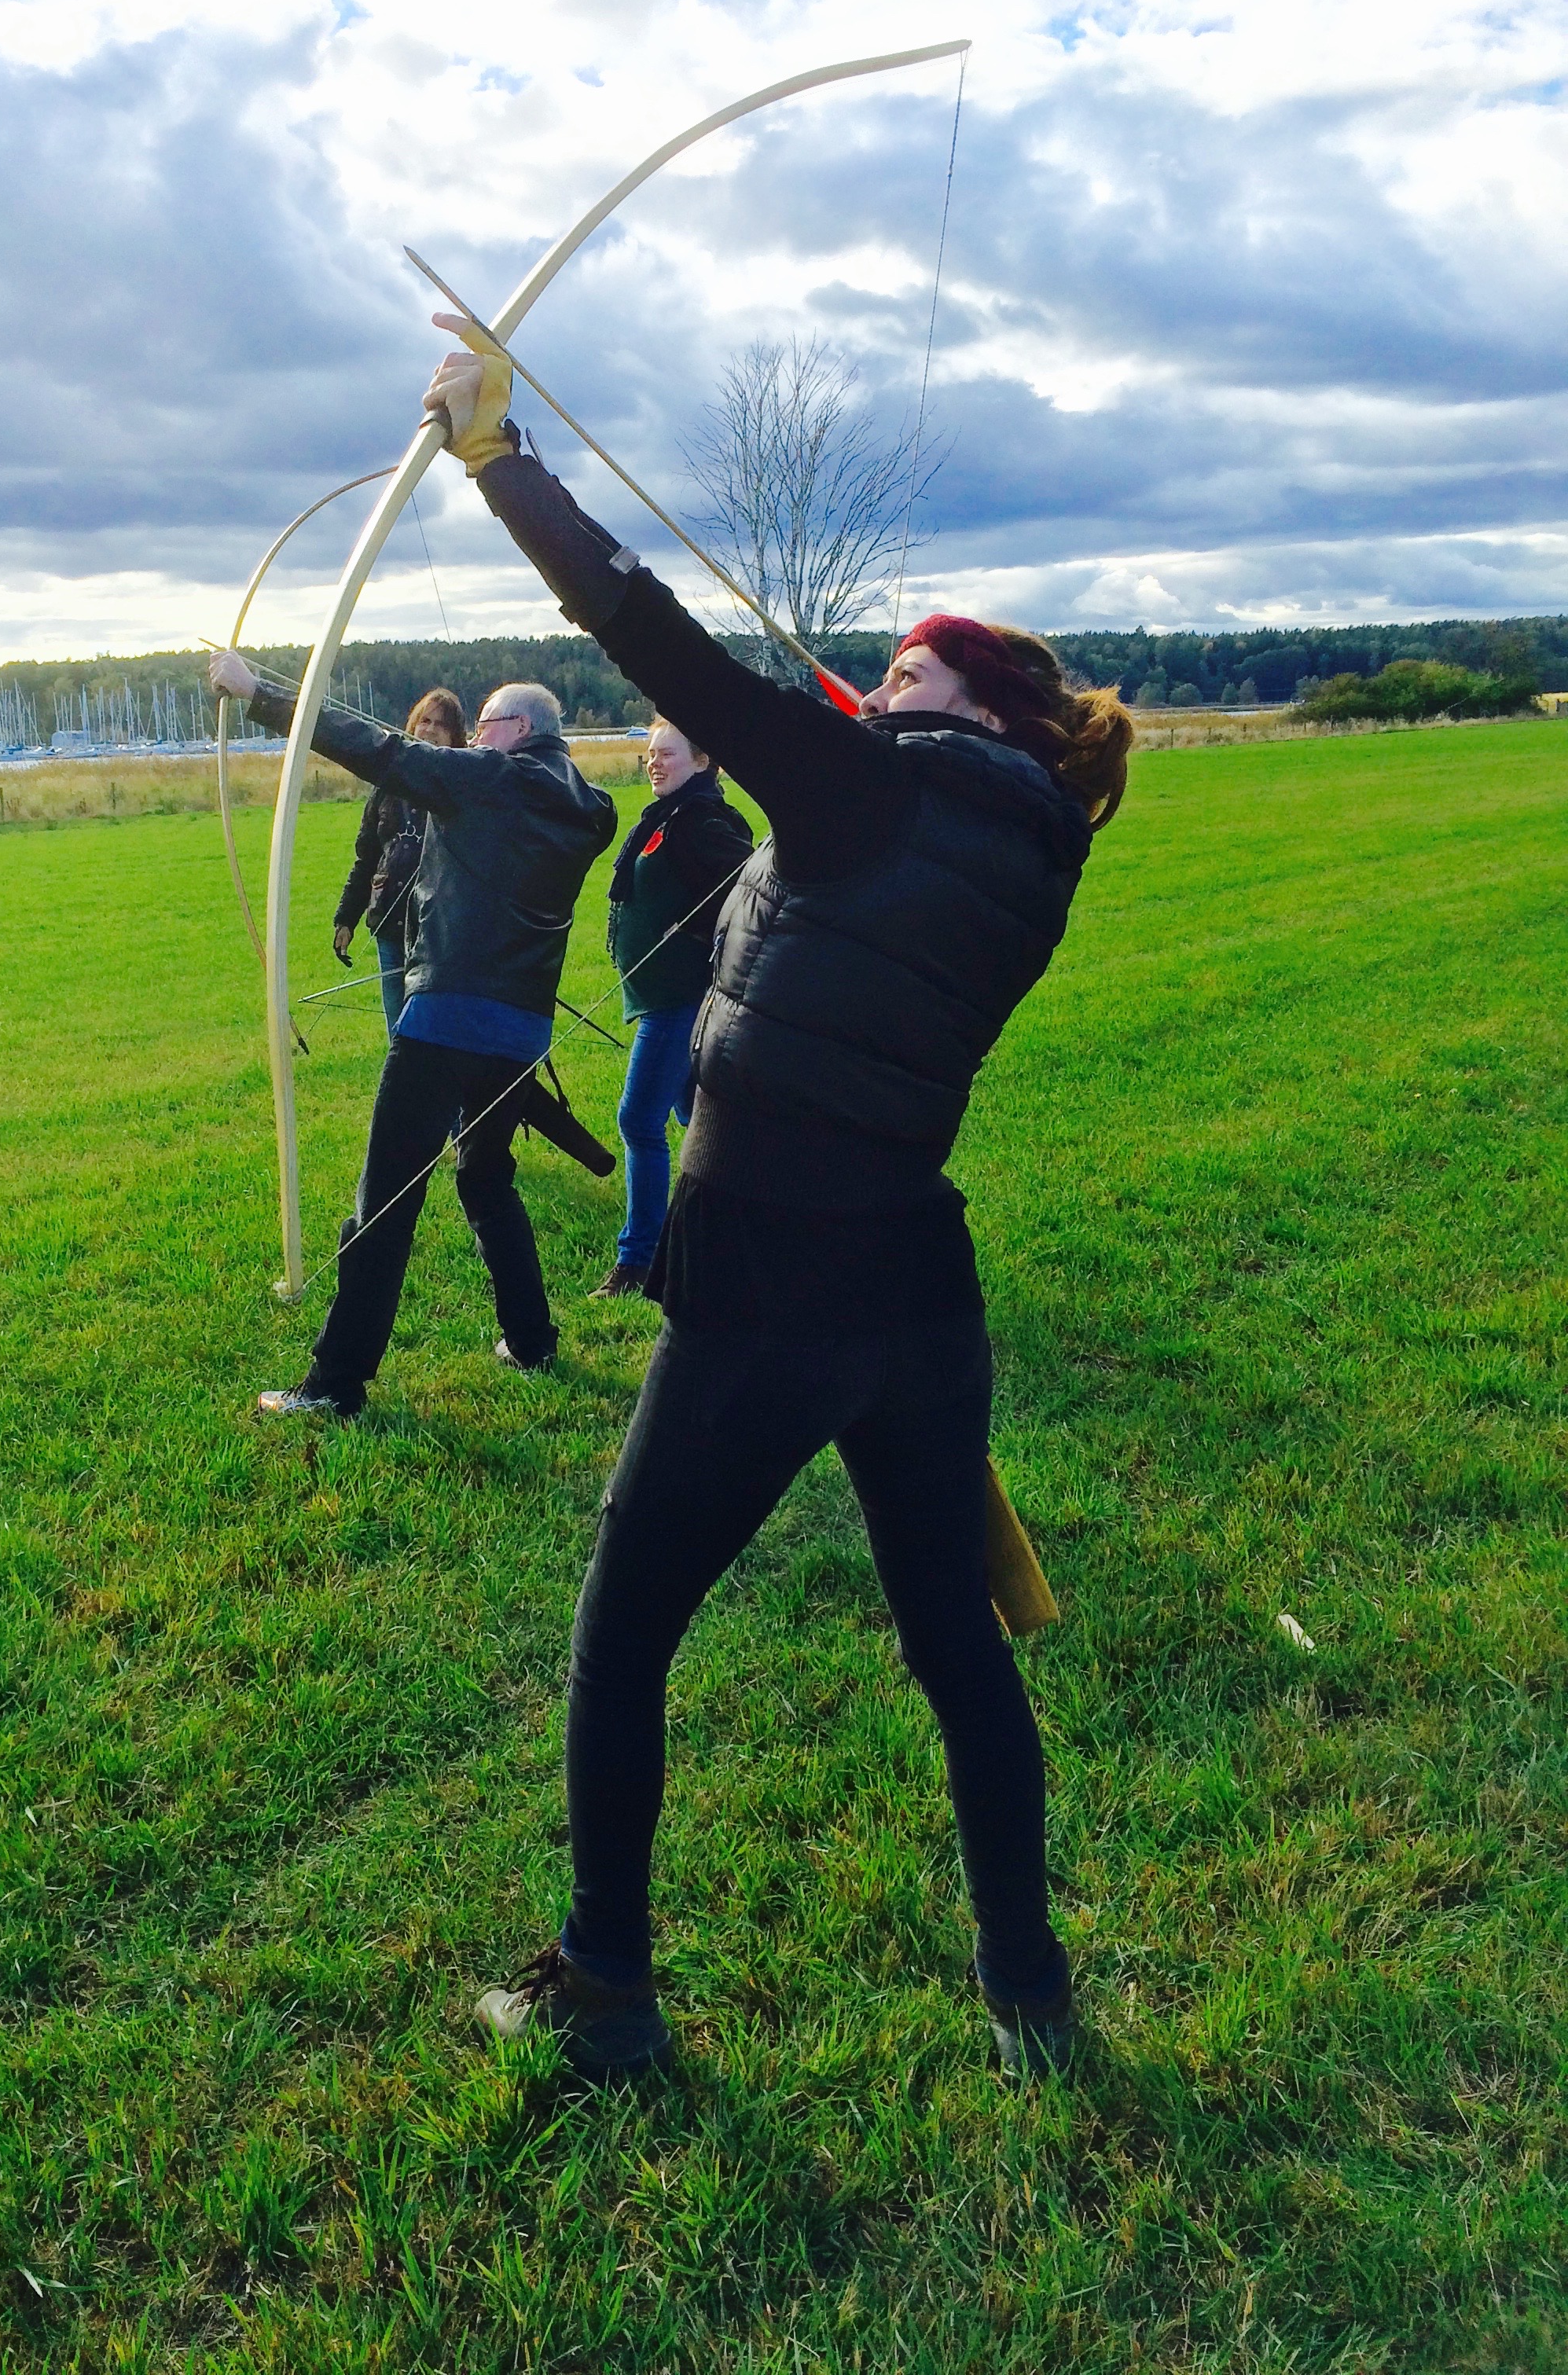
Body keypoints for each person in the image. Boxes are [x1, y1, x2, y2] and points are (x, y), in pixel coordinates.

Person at [420, 318, 1134, 2083]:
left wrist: (498, 457)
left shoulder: (872, 788)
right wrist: (853, 728)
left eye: (900, 672)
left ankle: (604, 1990)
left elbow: (652, 635)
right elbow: (807, 769)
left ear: (966, 708)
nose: (870, 691)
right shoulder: (1024, 840)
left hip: (775, 1285)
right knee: (955, 1648)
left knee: (622, 1633)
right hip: (912, 1285)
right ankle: (1030, 1991)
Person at [207, 648, 616, 1418]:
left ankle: (335, 1385)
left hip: (444, 1024)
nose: (474, 737)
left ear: (516, 728)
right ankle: (532, 1341)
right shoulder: (592, 806)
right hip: (521, 1034)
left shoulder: (492, 778)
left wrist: (260, 692)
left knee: (385, 1202)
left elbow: (381, 750)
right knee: (486, 1180)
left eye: (484, 724)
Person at [596, 720, 752, 1298]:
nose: (654, 764)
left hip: (681, 1000)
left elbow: (753, 886)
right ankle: (729, 1236)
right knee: (696, 1120)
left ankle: (639, 1260)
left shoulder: (704, 820)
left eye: (667, 754)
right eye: (649, 755)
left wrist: (698, 933)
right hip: (661, 996)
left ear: (702, 760)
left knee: (639, 1120)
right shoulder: (670, 815)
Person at [332, 686, 468, 1035]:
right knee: (398, 1023)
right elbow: (367, 859)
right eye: (425, 721)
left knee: (437, 1024)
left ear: (455, 736)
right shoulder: (387, 786)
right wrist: (346, 918)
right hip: (390, 922)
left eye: (441, 725)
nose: (430, 730)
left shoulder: (463, 784)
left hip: (439, 930)